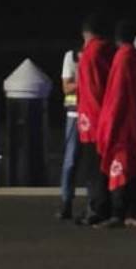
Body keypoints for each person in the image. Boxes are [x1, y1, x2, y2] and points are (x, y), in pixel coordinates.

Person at [95, 20, 136, 228]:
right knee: (134, 167)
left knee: (119, 166)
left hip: (123, 125)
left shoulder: (122, 58)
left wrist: (109, 125)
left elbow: (116, 96)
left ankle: (118, 213)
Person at [75, 15, 114, 226]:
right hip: (106, 117)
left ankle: (96, 207)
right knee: (105, 167)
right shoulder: (110, 51)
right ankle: (104, 205)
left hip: (91, 119)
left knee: (93, 168)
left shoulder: (89, 54)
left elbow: (90, 89)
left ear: (86, 34)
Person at [55, 46, 80, 220]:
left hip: (94, 114)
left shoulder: (102, 54)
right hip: (75, 114)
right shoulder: (71, 57)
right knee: (71, 160)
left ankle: (99, 204)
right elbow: (66, 87)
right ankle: (66, 202)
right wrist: (86, 81)